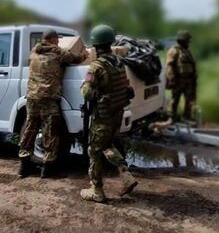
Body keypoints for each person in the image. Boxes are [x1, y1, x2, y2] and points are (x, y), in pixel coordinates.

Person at [80, 24, 137, 203]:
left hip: (103, 115)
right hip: (117, 113)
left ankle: (96, 190)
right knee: (107, 145)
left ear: (96, 47)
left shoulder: (96, 67)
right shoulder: (119, 62)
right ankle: (126, 175)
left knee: (94, 150)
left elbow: (87, 93)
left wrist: (85, 86)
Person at [19, 28, 87, 178]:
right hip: (48, 98)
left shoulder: (33, 52)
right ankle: (48, 168)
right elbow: (76, 59)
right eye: (57, 39)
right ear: (53, 39)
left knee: (30, 129)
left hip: (32, 97)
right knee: (50, 132)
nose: (58, 41)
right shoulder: (58, 53)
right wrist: (86, 54)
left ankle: (24, 166)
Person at [165, 29, 197, 123]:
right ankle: (171, 118)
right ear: (183, 40)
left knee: (189, 100)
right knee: (175, 100)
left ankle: (186, 117)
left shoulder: (186, 51)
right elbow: (169, 66)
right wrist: (172, 80)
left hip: (188, 81)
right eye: (187, 41)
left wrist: (194, 76)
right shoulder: (174, 51)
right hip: (178, 81)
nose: (188, 43)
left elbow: (192, 65)